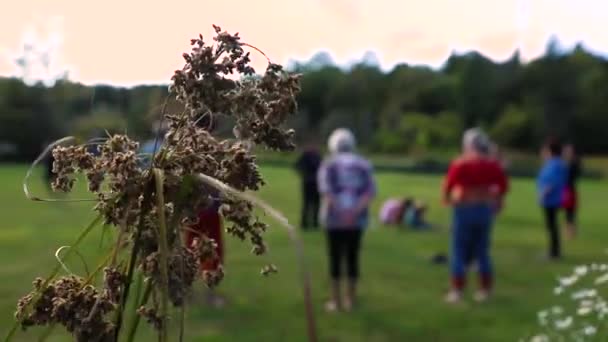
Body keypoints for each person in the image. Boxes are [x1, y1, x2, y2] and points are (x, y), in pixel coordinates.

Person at [442, 128, 509, 303]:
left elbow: (448, 187)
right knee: (482, 251)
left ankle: (457, 291)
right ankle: (485, 290)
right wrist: (495, 200)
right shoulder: (493, 165)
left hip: (464, 208)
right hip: (484, 209)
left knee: (458, 250)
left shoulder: (460, 164)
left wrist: (449, 199)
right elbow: (502, 187)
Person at [317, 128, 376, 312]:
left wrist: (341, 212)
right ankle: (350, 299)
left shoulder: (328, 164)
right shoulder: (363, 164)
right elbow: (369, 192)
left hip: (334, 220)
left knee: (335, 257)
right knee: (352, 257)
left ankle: (335, 301)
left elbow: (327, 191)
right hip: (357, 220)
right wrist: (354, 212)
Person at [537, 139, 567, 260]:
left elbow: (553, 181)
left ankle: (554, 253)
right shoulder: (553, 163)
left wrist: (543, 193)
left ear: (550, 150)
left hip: (551, 199)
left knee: (552, 226)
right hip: (551, 199)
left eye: (545, 149)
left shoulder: (555, 164)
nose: (542, 151)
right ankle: (554, 251)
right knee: (551, 225)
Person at [295, 143, 322, 230]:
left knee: (316, 204)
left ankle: (315, 223)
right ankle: (305, 223)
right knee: (307, 204)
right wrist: (304, 174)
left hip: (316, 183)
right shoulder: (306, 155)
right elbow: (297, 165)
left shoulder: (318, 156)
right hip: (308, 182)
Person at [562, 143, 581, 239]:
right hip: (568, 189)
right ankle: (569, 231)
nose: (565, 152)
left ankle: (570, 233)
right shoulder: (570, 162)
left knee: (570, 212)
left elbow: (568, 177)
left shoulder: (573, 163)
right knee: (568, 212)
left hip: (569, 190)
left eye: (567, 151)